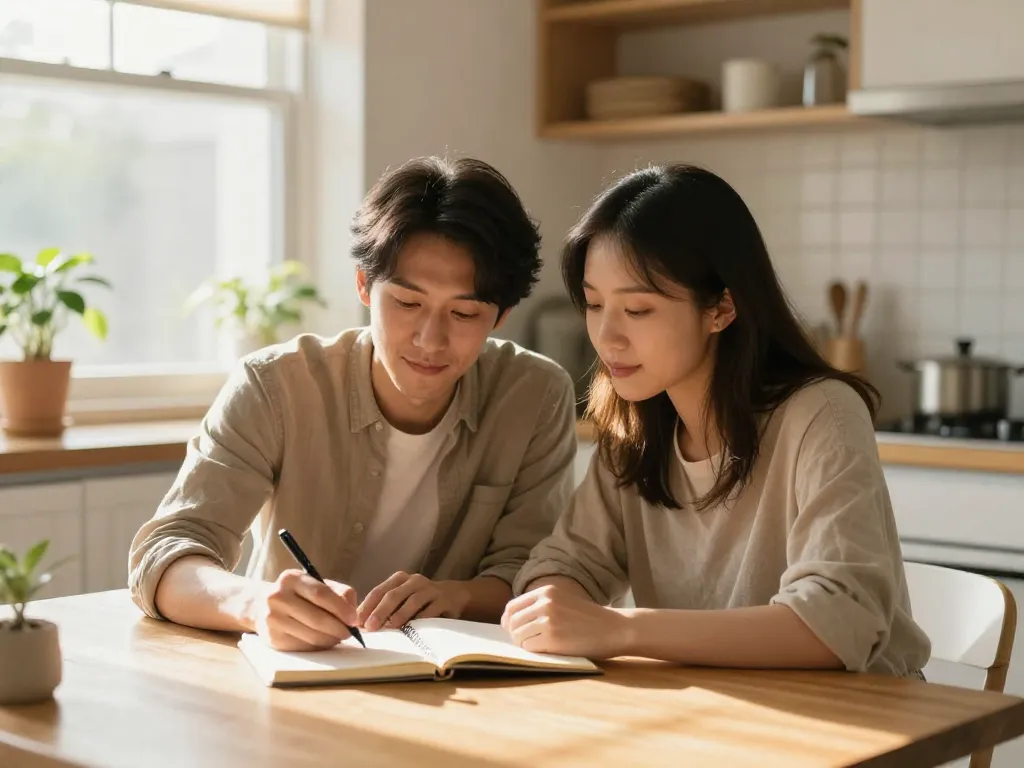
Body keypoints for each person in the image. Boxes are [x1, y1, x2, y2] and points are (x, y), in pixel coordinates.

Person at [129, 156, 578, 651]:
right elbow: (165, 554)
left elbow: (534, 573)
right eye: (407, 304)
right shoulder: (275, 385)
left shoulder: (534, 395)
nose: (431, 340)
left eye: (464, 312)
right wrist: (255, 605)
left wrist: (455, 597)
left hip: (459, 684)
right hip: (298, 669)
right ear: (364, 285)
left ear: (500, 316)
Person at [502, 164, 930, 678]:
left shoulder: (822, 413)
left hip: (859, 727)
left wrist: (622, 629)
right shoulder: (632, 426)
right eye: (594, 304)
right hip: (719, 717)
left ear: (721, 308)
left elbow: (839, 621)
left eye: (638, 310)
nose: (606, 337)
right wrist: (556, 607)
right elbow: (563, 566)